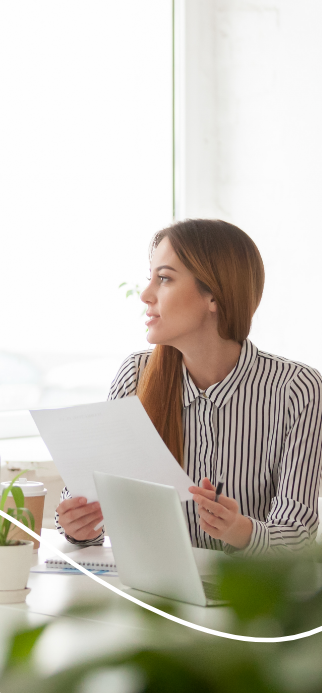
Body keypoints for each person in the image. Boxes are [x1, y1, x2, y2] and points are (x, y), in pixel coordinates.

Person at [57, 219, 322, 553]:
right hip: (151, 595)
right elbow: (93, 508)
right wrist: (78, 525)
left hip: (250, 600)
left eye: (164, 278)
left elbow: (297, 535)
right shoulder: (135, 375)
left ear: (213, 295)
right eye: (150, 277)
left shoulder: (297, 389)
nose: (145, 294)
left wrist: (240, 530)